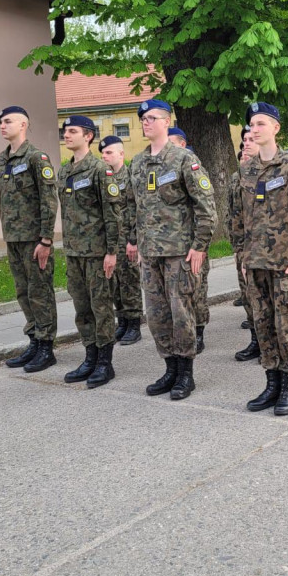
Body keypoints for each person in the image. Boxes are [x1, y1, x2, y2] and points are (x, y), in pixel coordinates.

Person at [127, 99, 217, 400]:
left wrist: (199, 246)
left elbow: (206, 207)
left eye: (152, 118)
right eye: (143, 119)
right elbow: (134, 208)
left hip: (180, 253)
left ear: (167, 121)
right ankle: (169, 368)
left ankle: (186, 373)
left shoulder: (183, 159)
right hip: (151, 254)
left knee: (182, 314)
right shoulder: (137, 164)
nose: (145, 122)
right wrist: (136, 243)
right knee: (156, 315)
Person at [232, 102, 288, 415]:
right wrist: (241, 252)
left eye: (261, 124)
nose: (254, 129)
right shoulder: (247, 169)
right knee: (263, 324)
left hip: (283, 263)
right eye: (251, 124)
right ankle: (271, 383)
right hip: (254, 262)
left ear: (276, 128)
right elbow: (241, 216)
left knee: (285, 324)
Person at [56, 116, 122, 388]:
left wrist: (111, 252)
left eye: (73, 131)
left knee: (101, 306)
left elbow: (113, 213)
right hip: (74, 252)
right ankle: (90, 356)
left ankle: (105, 363)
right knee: (82, 307)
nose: (66, 135)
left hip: (97, 252)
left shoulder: (99, 170)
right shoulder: (64, 171)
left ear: (88, 136)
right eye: (65, 131)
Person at [0, 105, 58, 373]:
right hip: (13, 238)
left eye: (8, 121)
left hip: (34, 239)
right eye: (0, 122)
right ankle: (34, 339)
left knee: (39, 290)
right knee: (23, 291)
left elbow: (48, 200)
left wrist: (45, 240)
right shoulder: (2, 159)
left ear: (23, 124)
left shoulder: (36, 158)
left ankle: (46, 346)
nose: (2, 125)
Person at [167, 126, 211, 352]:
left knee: (198, 289)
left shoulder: (192, 166)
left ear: (182, 144)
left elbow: (204, 208)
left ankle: (199, 329)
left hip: (194, 242)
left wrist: (200, 244)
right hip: (174, 243)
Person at [99, 135, 142, 345]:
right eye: (103, 153)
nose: (105, 156)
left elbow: (136, 210)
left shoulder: (130, 178)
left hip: (127, 239)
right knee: (114, 282)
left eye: (109, 152)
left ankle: (134, 323)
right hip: (112, 240)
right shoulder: (105, 178)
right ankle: (122, 321)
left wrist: (133, 240)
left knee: (130, 281)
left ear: (121, 154)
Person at [230, 129, 262, 362]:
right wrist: (237, 248)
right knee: (249, 297)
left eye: (252, 140)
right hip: (245, 250)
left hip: (270, 251)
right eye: (244, 141)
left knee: (267, 303)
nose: (246, 144)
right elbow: (235, 215)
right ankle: (256, 340)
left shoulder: (274, 173)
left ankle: (270, 345)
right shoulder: (238, 176)